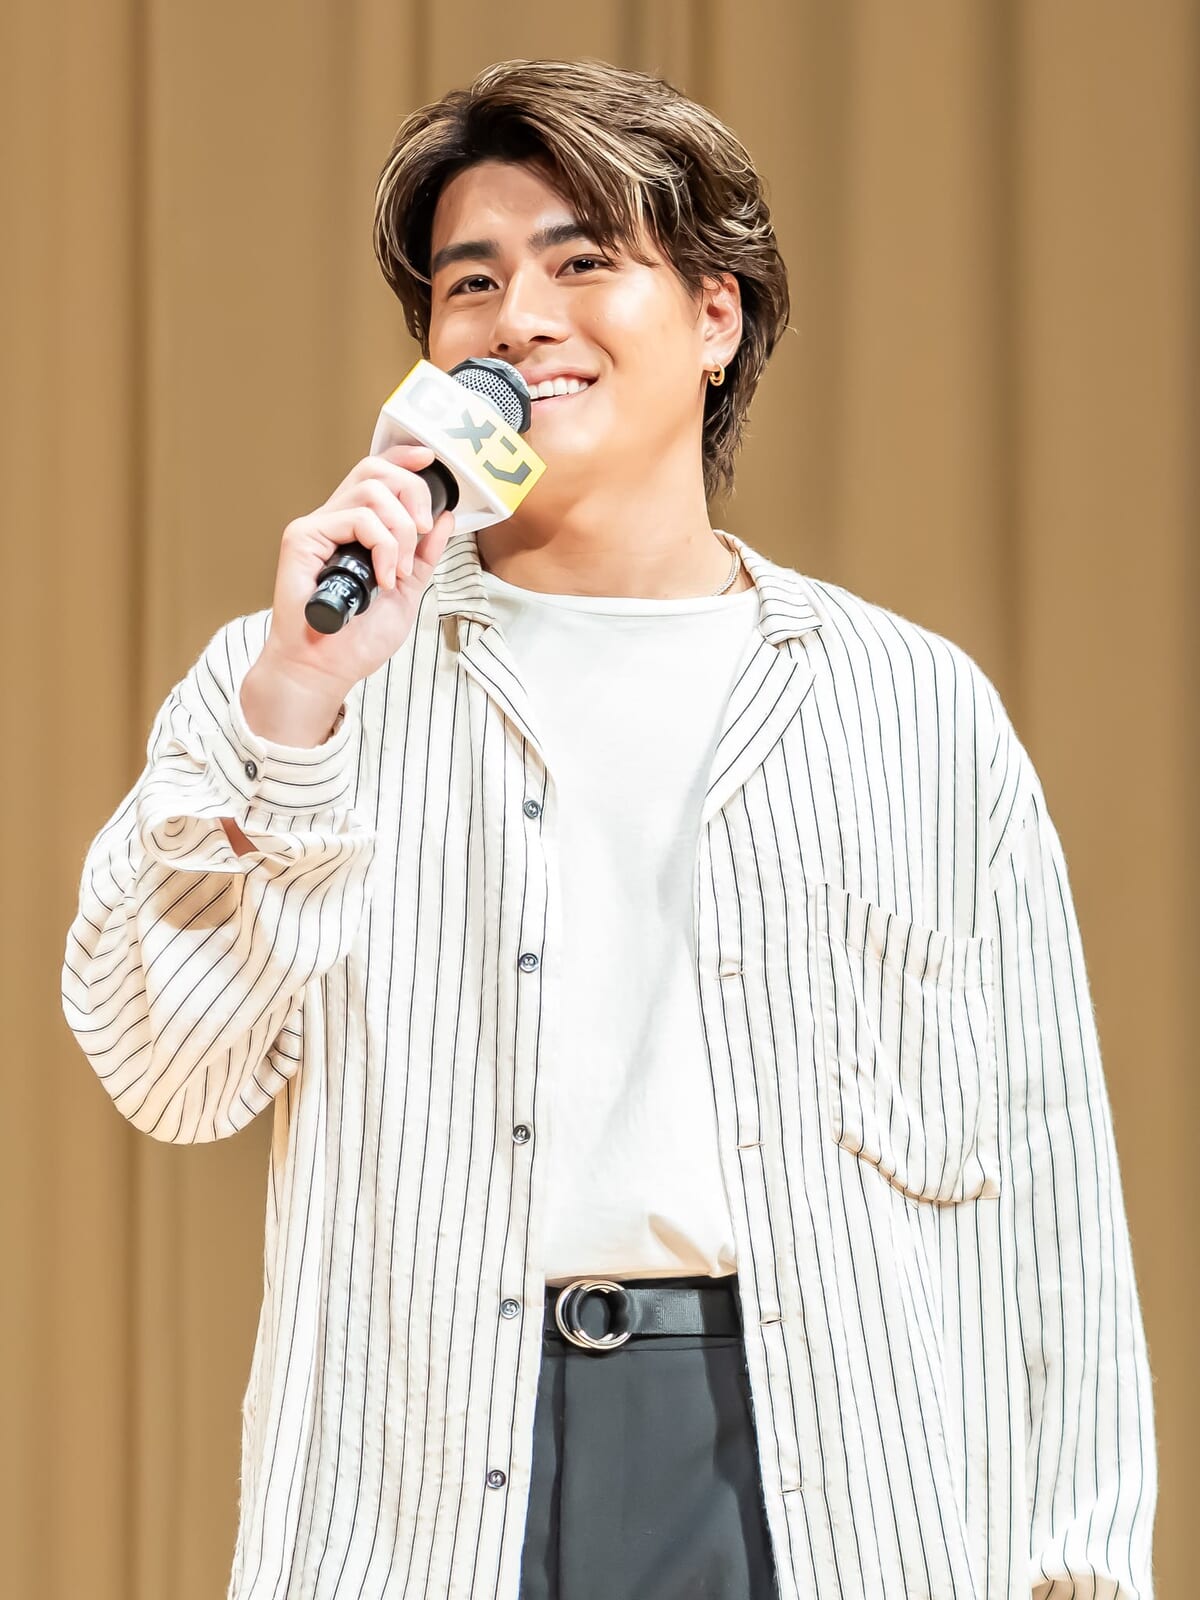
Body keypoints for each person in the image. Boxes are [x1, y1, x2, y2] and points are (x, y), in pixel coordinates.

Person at [62, 57, 1156, 1600]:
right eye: (472, 283)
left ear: (714, 318)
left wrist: (1080, 1573)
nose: (521, 317)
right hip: (429, 1497)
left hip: (822, 1487)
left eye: (582, 263)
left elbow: (1046, 1183)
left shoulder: (916, 709)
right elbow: (163, 1074)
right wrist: (296, 704)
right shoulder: (295, 681)